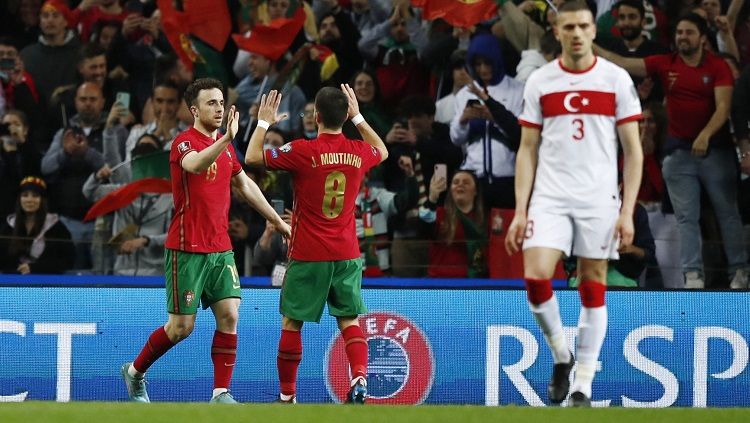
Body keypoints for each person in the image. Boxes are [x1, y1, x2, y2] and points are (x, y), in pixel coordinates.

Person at [505, 1, 643, 407]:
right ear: (558, 29)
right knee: (535, 277)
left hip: (599, 197)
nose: (578, 33)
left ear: (594, 30)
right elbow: (527, 149)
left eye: (584, 25)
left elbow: (633, 151)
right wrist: (520, 209)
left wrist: (627, 210)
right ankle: (561, 355)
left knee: (592, 282)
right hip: (549, 195)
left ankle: (582, 382)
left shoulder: (616, 79)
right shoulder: (541, 82)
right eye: (570, 27)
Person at [120, 78, 291, 404]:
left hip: (220, 248)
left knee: (230, 315)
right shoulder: (184, 143)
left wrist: (276, 219)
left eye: (221, 103)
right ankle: (135, 372)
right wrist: (226, 137)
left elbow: (246, 185)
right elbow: (196, 165)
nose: (218, 108)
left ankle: (220, 392)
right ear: (195, 109)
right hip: (186, 250)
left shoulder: (227, 150)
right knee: (181, 328)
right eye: (211, 103)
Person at [244, 85, 388, 404]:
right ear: (345, 116)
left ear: (316, 117)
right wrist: (359, 116)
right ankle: (360, 378)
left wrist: (264, 122)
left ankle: (287, 396)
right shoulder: (358, 151)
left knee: (292, 322)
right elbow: (383, 150)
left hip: (308, 253)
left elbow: (252, 156)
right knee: (349, 320)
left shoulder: (302, 151)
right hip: (348, 253)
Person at [596, 12, 749, 289]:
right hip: (678, 153)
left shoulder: (717, 67)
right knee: (685, 217)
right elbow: (619, 62)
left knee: (727, 213)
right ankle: (693, 276)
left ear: (703, 38)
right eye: (679, 32)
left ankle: (739, 272)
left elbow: (724, 107)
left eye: (689, 32)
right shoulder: (666, 63)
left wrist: (704, 135)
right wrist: (588, 42)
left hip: (716, 150)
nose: (682, 37)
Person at [420, 170, 489, 278]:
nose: (460, 184)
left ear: (475, 191)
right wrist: (432, 199)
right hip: (439, 282)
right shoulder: (439, 214)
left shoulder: (485, 219)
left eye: (466, 182)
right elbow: (423, 230)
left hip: (473, 284)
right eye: (455, 182)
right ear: (451, 190)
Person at [0, 176, 74, 274]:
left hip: (45, 283)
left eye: (35, 195)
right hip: (13, 282)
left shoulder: (56, 226)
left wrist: (35, 268)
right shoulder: (9, 225)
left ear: (42, 200)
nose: (29, 200)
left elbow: (68, 260)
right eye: (25, 195)